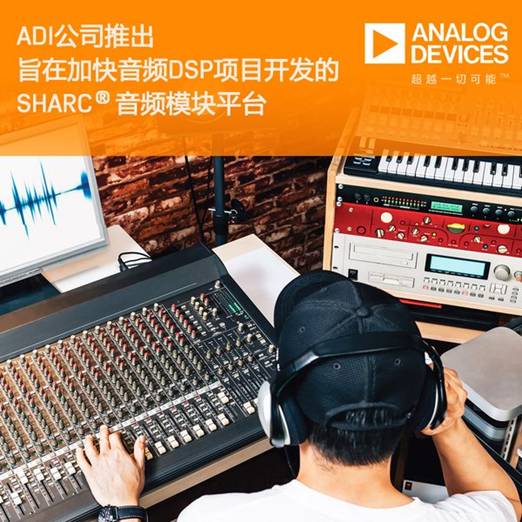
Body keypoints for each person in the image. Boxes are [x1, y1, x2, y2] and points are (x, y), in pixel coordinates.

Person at [76, 271, 522, 522]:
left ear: (280, 413)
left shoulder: (214, 517)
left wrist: (121, 507)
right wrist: (448, 424)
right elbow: (507, 503)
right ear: (425, 406)